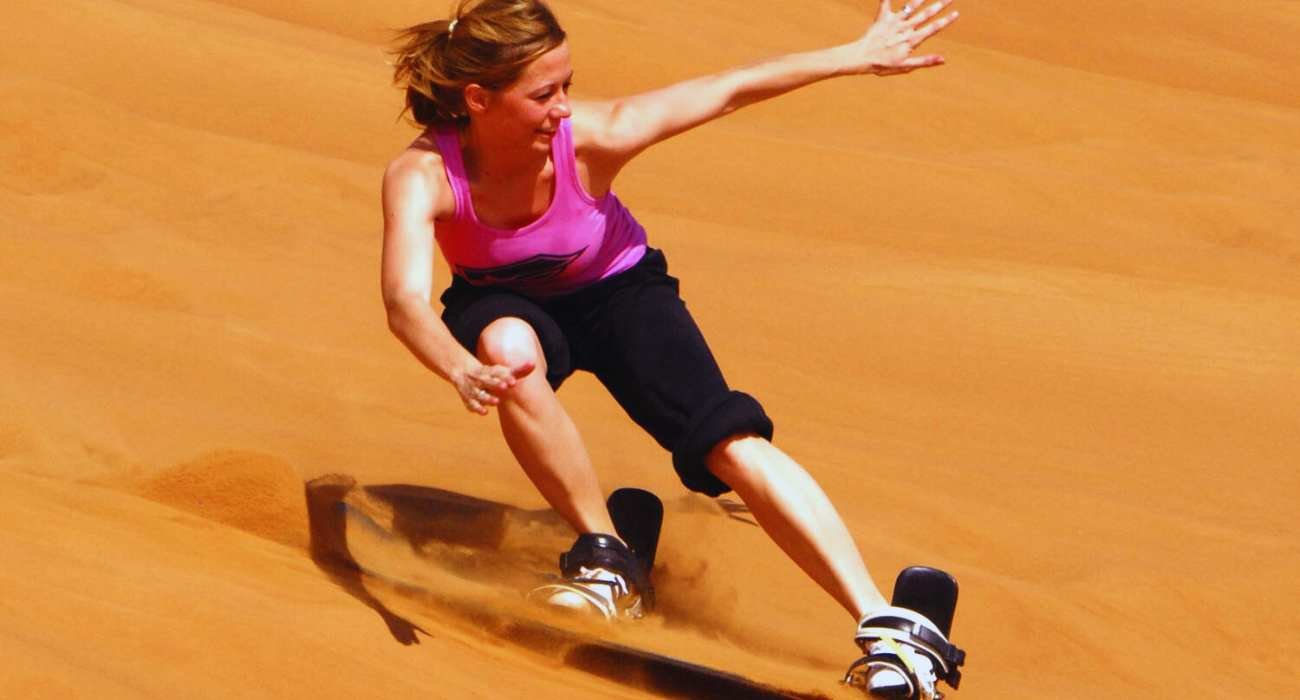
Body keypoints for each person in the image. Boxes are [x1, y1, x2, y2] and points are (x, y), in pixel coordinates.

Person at [381, 1, 963, 696]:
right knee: (509, 351)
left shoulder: (597, 137)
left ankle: (890, 626)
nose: (563, 109)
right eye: (543, 94)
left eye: (566, 86)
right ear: (478, 99)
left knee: (730, 439)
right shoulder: (423, 176)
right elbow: (405, 301)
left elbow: (729, 88)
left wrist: (855, 53)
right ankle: (605, 556)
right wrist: (460, 367)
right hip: (504, 298)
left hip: (622, 292)